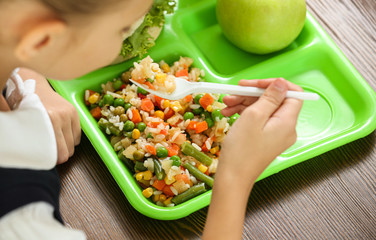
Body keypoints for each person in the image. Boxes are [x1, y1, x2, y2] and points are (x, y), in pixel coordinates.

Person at [0, 0, 303, 239]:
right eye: (123, 30)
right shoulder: (19, 216)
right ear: (42, 39)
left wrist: (26, 77)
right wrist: (235, 179)